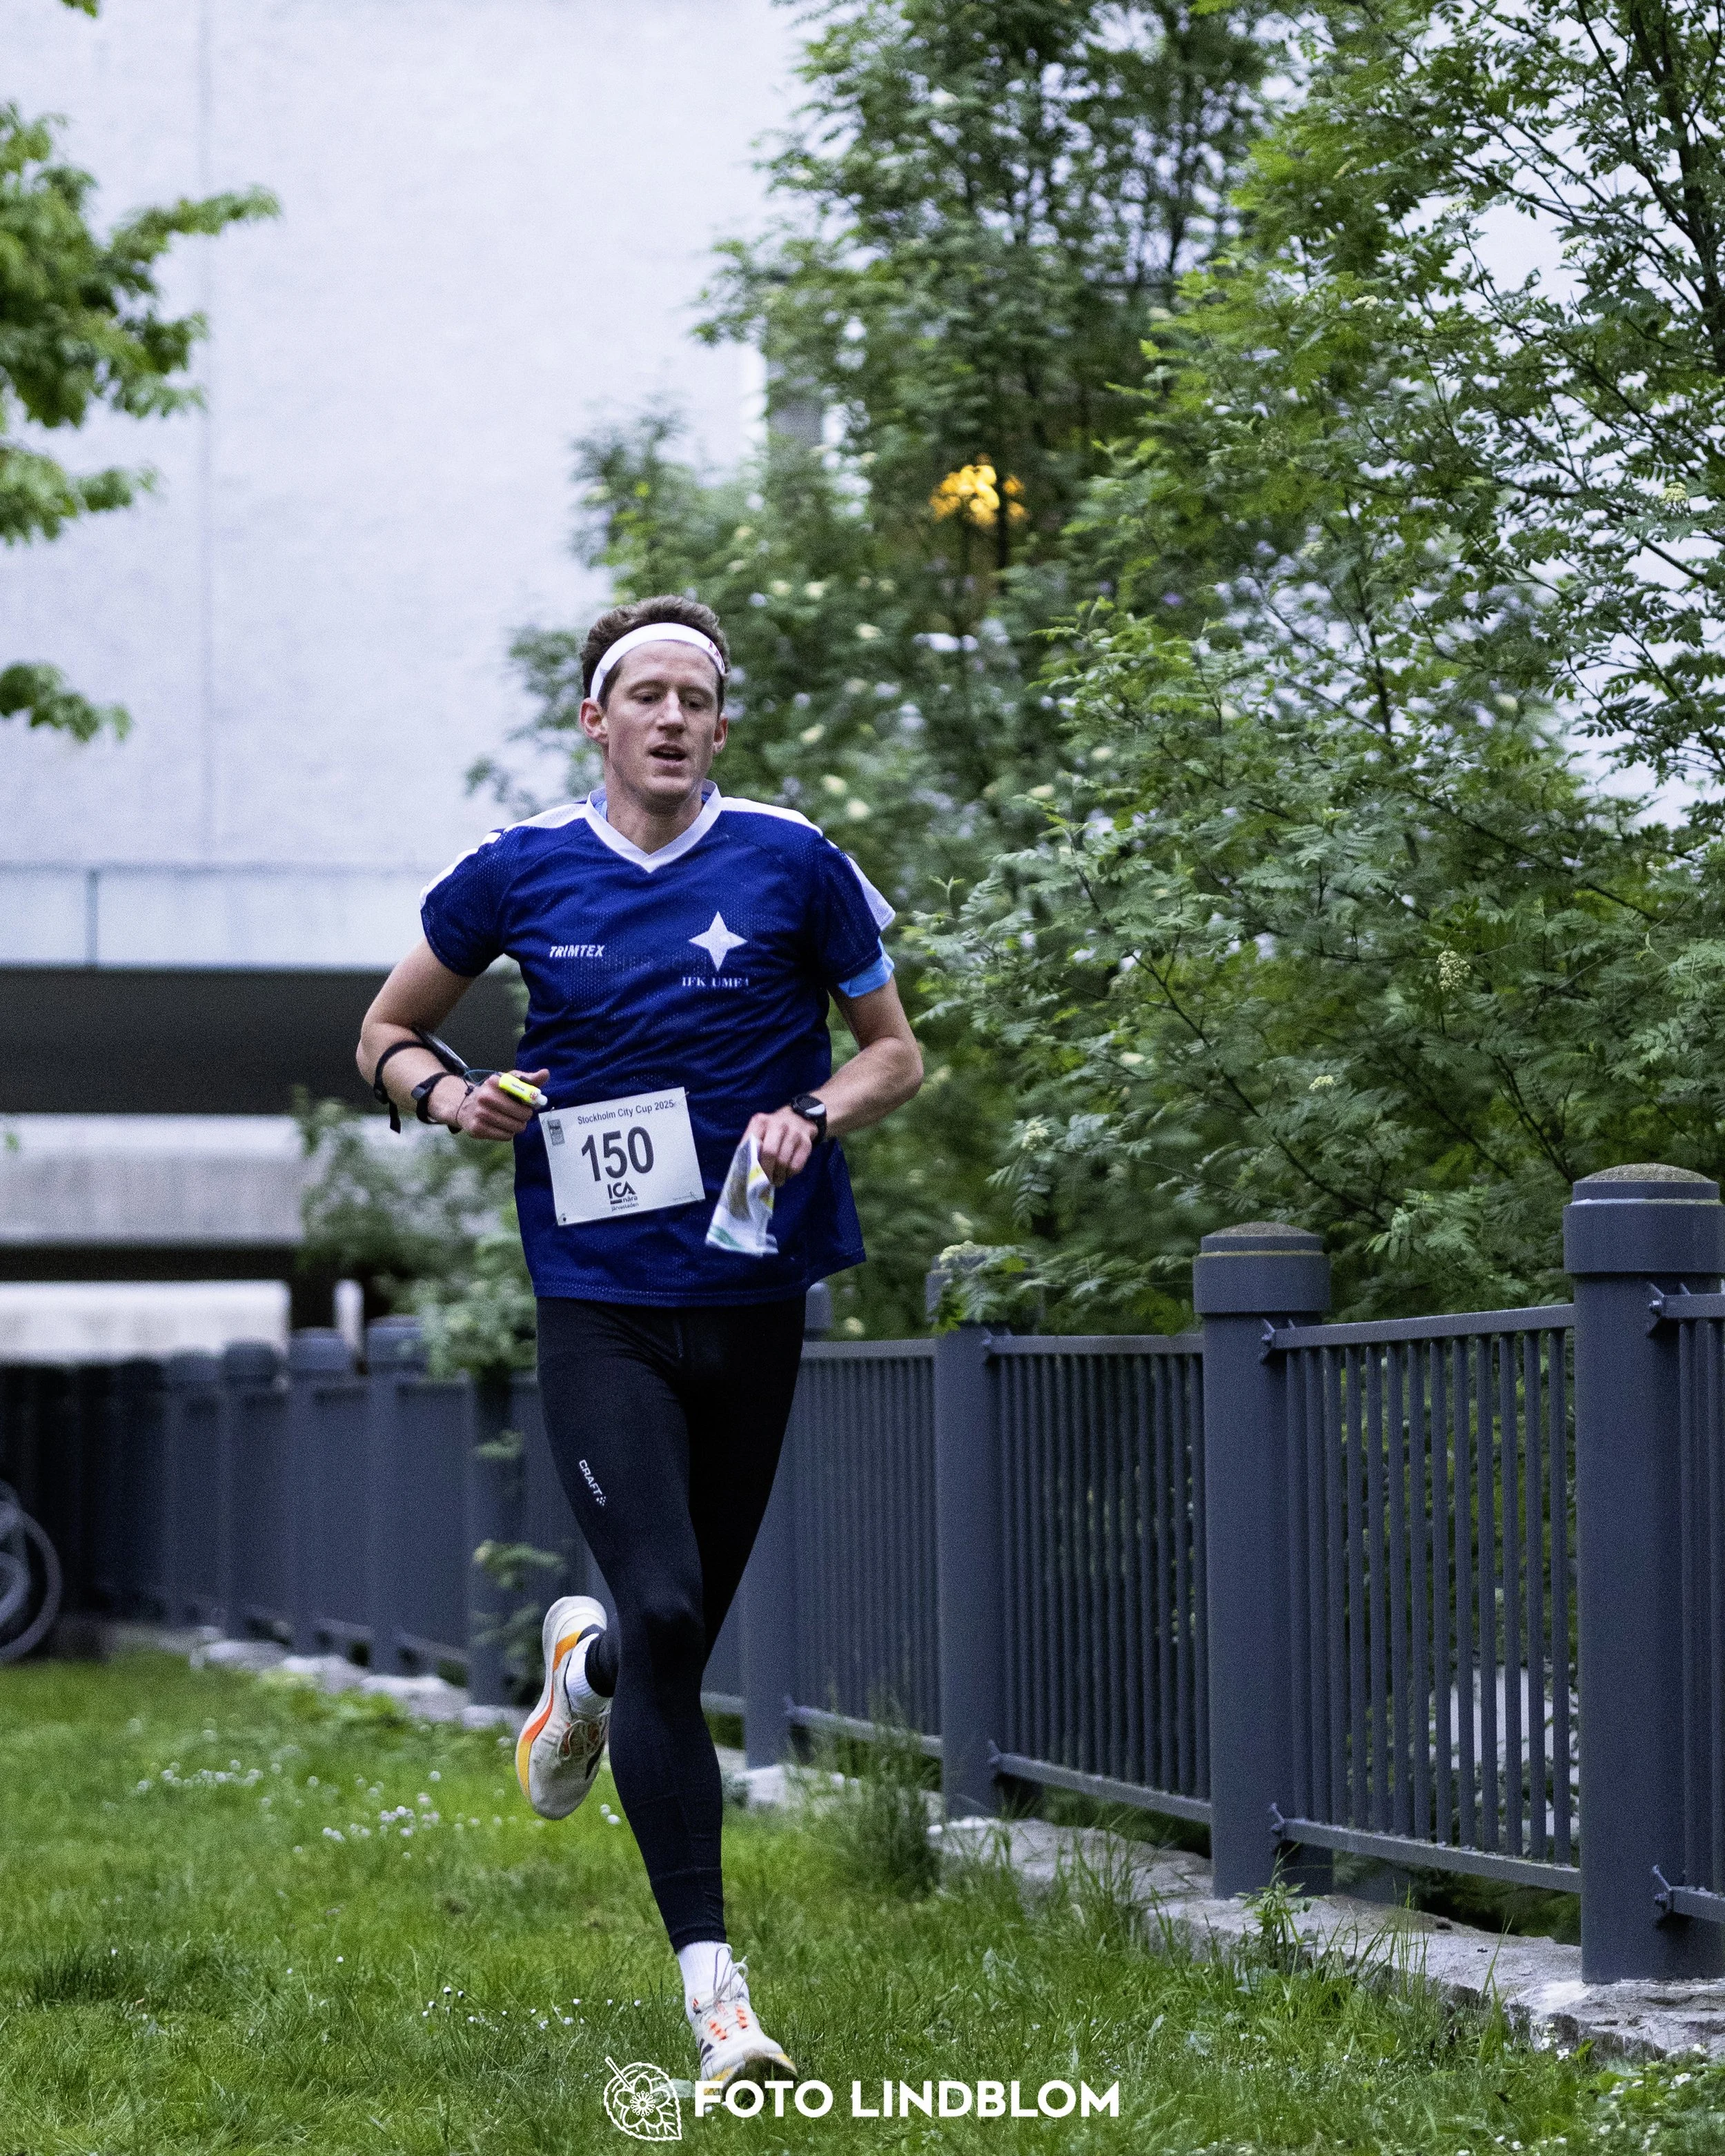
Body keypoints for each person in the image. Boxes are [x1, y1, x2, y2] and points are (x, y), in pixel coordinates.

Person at [356, 593, 923, 2090]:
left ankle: (582, 1662)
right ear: (595, 720)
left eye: (696, 696)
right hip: (600, 1301)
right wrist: (448, 1095)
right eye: (643, 694)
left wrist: (815, 1111)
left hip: (754, 1291)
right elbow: (384, 1032)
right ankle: (716, 1995)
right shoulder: (518, 869)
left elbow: (893, 1052)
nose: (671, 717)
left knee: (667, 1635)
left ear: (721, 726)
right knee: (672, 1610)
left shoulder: (794, 859)